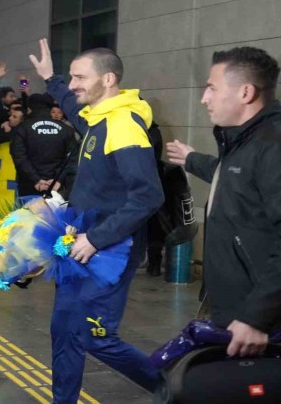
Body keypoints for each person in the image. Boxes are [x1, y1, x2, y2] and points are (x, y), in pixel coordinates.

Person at [29, 38, 164, 403]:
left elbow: (148, 196)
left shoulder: (123, 125)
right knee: (64, 331)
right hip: (82, 246)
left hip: (108, 250)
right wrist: (51, 78)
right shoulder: (98, 118)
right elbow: (74, 107)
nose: (73, 85)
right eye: (71, 77)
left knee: (94, 336)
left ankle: (170, 387)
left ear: (107, 80)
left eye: (79, 77)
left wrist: (97, 239)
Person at [166, 46, 281, 357]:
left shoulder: (273, 144)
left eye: (212, 88)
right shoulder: (245, 140)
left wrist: (256, 316)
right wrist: (191, 159)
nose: (205, 98)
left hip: (262, 321)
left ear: (245, 92)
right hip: (239, 309)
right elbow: (234, 176)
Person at [10, 95, 77, 197]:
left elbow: (19, 157)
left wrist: (35, 180)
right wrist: (58, 180)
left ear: (29, 109)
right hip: (57, 188)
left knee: (27, 213)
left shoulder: (22, 128)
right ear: (49, 108)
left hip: (29, 185)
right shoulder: (66, 129)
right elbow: (73, 158)